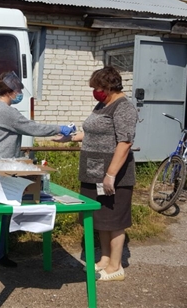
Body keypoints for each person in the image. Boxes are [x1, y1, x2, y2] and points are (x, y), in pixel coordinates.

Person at [0, 71, 75, 271]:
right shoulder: (5, 111)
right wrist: (60, 128)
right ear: (9, 91)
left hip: (4, 165)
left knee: (5, 212)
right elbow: (31, 127)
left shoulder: (2, 107)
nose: (20, 94)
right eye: (17, 90)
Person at [55, 65, 138, 282]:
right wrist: (69, 138)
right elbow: (91, 132)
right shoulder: (103, 104)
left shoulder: (124, 107)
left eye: (98, 87)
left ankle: (116, 266)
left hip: (114, 174)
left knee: (115, 218)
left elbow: (125, 142)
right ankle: (104, 259)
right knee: (100, 217)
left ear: (109, 85)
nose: (95, 92)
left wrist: (110, 174)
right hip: (93, 172)